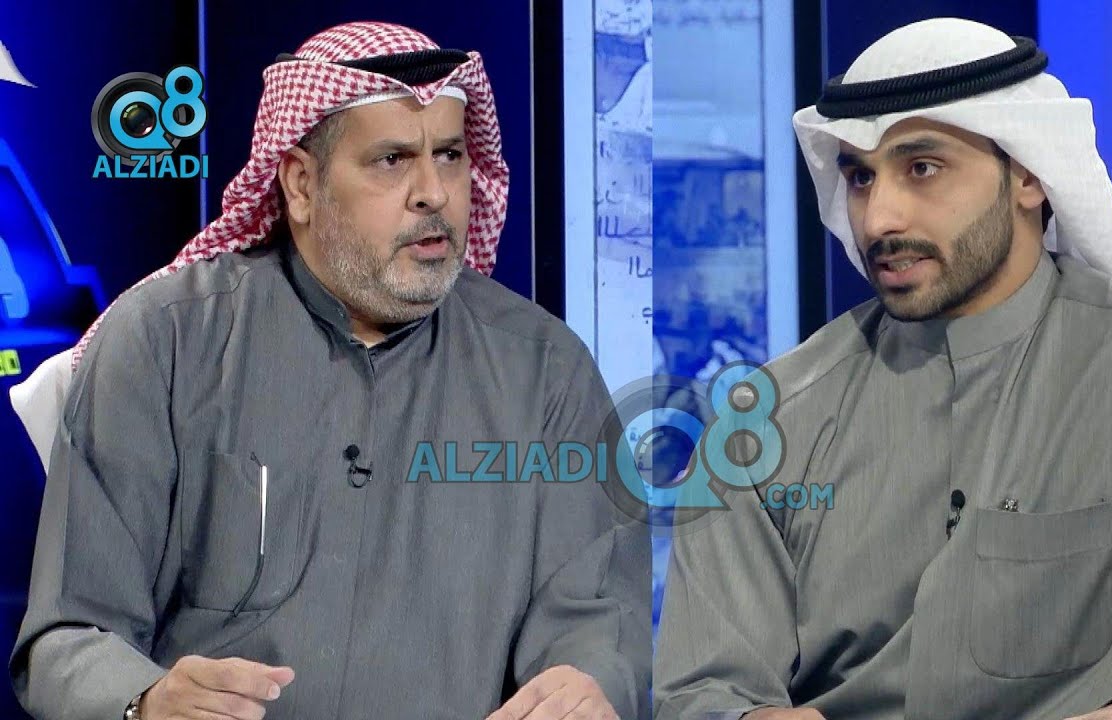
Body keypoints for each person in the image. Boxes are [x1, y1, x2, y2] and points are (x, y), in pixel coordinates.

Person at [9, 21, 650, 720]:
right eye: (392, 160)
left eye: (450, 155)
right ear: (301, 185)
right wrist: (145, 700)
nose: (434, 192)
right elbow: (69, 638)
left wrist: (590, 683)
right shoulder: (163, 342)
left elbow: (596, 625)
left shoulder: (547, 371)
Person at [654, 17, 1112, 720]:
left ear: (1030, 173)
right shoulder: (760, 423)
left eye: (922, 168)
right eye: (860, 177)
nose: (878, 219)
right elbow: (703, 691)